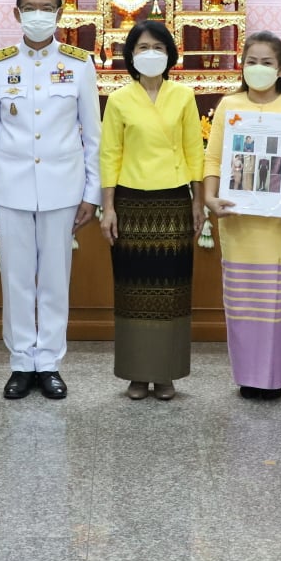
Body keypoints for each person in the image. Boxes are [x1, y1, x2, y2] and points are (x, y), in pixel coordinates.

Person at [0, 0, 102, 401]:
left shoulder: (80, 64)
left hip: (62, 189)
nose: (37, 14)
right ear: (16, 14)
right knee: (15, 279)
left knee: (54, 278)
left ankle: (48, 361)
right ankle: (19, 363)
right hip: (10, 189)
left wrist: (92, 193)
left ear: (59, 13)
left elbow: (93, 135)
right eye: (29, 7)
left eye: (46, 7)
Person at [201, 32, 281, 399]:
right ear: (242, 65)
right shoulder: (228, 104)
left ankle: (273, 377)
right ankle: (247, 376)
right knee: (242, 300)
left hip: (279, 223)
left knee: (276, 300)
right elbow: (214, 158)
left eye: (267, 62)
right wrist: (209, 196)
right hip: (237, 220)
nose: (259, 68)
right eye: (252, 61)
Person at [100, 20, 204, 400]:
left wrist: (199, 201)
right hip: (130, 202)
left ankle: (166, 374)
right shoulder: (118, 100)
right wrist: (108, 207)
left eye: (157, 47)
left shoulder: (184, 96)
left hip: (174, 203)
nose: (150, 54)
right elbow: (109, 155)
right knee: (132, 290)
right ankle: (136, 373)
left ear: (170, 54)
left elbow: (196, 151)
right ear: (130, 54)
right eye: (142, 47)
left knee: (172, 290)